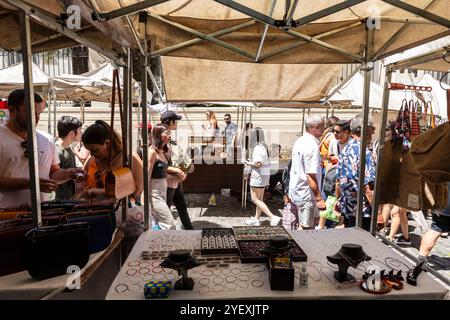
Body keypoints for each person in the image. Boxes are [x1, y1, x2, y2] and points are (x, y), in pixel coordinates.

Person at [0, 89, 85, 208]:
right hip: (6, 217)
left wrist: (68, 173)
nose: (36, 117)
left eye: (39, 113)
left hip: (42, 213)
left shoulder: (47, 139)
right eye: (30, 112)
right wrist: (31, 183)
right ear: (12, 110)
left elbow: (53, 173)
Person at [79, 120, 143, 202]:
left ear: (107, 143)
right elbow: (81, 182)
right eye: (90, 151)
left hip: (122, 211)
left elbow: (138, 189)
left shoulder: (129, 158)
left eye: (95, 150)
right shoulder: (92, 160)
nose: (91, 154)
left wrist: (98, 192)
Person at [335, 114, 376, 231]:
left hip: (348, 207)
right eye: (372, 129)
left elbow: (338, 180)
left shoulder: (346, 149)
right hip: (362, 211)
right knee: (364, 244)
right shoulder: (365, 152)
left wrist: (339, 200)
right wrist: (377, 214)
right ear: (365, 130)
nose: (373, 132)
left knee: (351, 242)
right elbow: (368, 186)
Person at [288, 115, 326, 230]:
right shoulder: (311, 146)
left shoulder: (301, 140)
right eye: (323, 125)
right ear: (316, 126)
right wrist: (319, 199)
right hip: (306, 194)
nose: (324, 128)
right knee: (306, 228)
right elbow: (310, 175)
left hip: (299, 190)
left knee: (307, 224)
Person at [161, 111, 194, 230]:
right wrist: (179, 171)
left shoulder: (170, 140)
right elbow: (162, 164)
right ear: (170, 122)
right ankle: (165, 236)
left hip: (175, 182)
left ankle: (190, 231)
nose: (177, 123)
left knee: (182, 208)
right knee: (166, 211)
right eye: (175, 121)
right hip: (168, 183)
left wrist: (184, 168)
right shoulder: (162, 140)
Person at [244, 127, 281, 226]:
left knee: (254, 199)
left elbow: (258, 164)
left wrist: (247, 162)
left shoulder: (257, 148)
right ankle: (256, 218)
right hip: (264, 175)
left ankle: (272, 217)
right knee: (259, 199)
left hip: (258, 176)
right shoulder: (264, 146)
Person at [148, 123, 176, 230]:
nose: (169, 136)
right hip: (154, 195)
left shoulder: (162, 152)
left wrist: (175, 175)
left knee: (160, 224)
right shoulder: (152, 152)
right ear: (159, 135)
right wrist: (143, 198)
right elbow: (147, 174)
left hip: (162, 193)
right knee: (169, 224)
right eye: (167, 133)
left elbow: (161, 172)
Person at [418, 183, 450, 262]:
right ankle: (421, 258)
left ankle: (421, 257)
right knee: (435, 229)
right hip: (445, 207)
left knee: (435, 230)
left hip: (440, 204)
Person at [55, 115, 83, 200]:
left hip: (69, 198)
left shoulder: (68, 148)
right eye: (79, 130)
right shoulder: (58, 151)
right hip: (59, 200)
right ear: (71, 134)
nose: (81, 132)